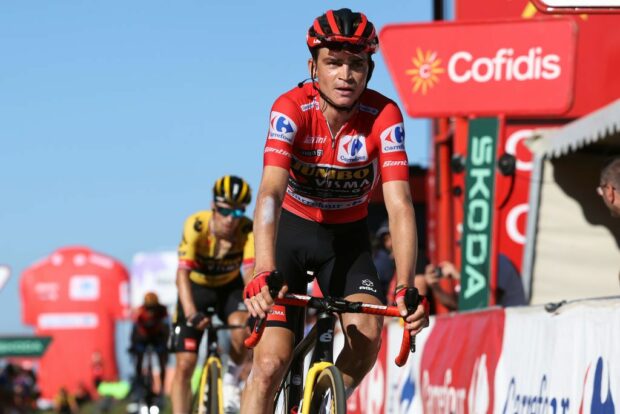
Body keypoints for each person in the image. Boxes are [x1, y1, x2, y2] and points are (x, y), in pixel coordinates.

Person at [241, 9, 428, 413]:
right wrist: (263, 269)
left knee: (368, 336)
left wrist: (407, 285)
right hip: (290, 235)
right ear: (314, 67)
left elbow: (399, 205)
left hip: (347, 241)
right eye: (334, 63)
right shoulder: (291, 109)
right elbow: (271, 192)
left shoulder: (384, 116)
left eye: (357, 64)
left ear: (369, 70)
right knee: (271, 364)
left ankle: (322, 403)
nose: (346, 74)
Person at [170, 175, 254, 414]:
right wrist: (190, 313)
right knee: (185, 364)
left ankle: (231, 381)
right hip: (195, 290)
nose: (230, 219)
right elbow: (182, 275)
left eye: (237, 213)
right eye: (224, 211)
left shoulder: (247, 230)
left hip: (229, 288)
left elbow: (250, 272)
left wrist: (253, 305)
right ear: (213, 207)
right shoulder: (196, 225)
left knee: (242, 326)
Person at [420, 254, 526, 310]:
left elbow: (490, 297)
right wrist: (435, 287)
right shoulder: (471, 268)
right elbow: (456, 304)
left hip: (513, 330)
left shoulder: (499, 261)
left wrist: (460, 276)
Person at [129, 291, 169, 396]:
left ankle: (162, 388)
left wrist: (166, 345)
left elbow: (166, 327)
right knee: (139, 358)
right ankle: (139, 385)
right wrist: (133, 345)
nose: (151, 311)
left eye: (153, 308)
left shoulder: (162, 310)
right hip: (143, 337)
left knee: (162, 361)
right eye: (149, 308)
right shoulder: (140, 311)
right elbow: (135, 329)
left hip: (157, 337)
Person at [373, 222, 396, 300]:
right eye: (386, 239)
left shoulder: (418, 257)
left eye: (393, 237)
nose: (389, 244)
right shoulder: (383, 259)